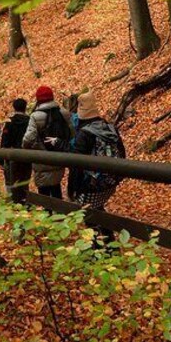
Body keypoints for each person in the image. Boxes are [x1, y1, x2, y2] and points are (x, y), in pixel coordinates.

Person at [68, 91, 126, 243]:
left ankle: (98, 249)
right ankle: (109, 243)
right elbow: (122, 153)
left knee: (89, 216)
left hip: (90, 184)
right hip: (109, 181)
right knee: (98, 209)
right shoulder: (108, 126)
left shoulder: (85, 133)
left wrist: (72, 188)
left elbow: (76, 163)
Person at [22, 85, 75, 198]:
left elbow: (28, 139)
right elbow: (72, 133)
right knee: (56, 189)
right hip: (58, 159)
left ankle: (47, 213)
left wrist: (26, 148)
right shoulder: (64, 113)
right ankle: (60, 213)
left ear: (38, 99)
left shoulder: (35, 116)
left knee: (44, 193)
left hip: (41, 160)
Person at [0, 98, 32, 198]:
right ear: (25, 107)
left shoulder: (9, 122)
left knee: (10, 180)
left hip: (11, 156)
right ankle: (25, 200)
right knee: (25, 179)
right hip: (27, 155)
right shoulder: (30, 121)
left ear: (14, 107)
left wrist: (1, 159)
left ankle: (12, 202)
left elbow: (4, 141)